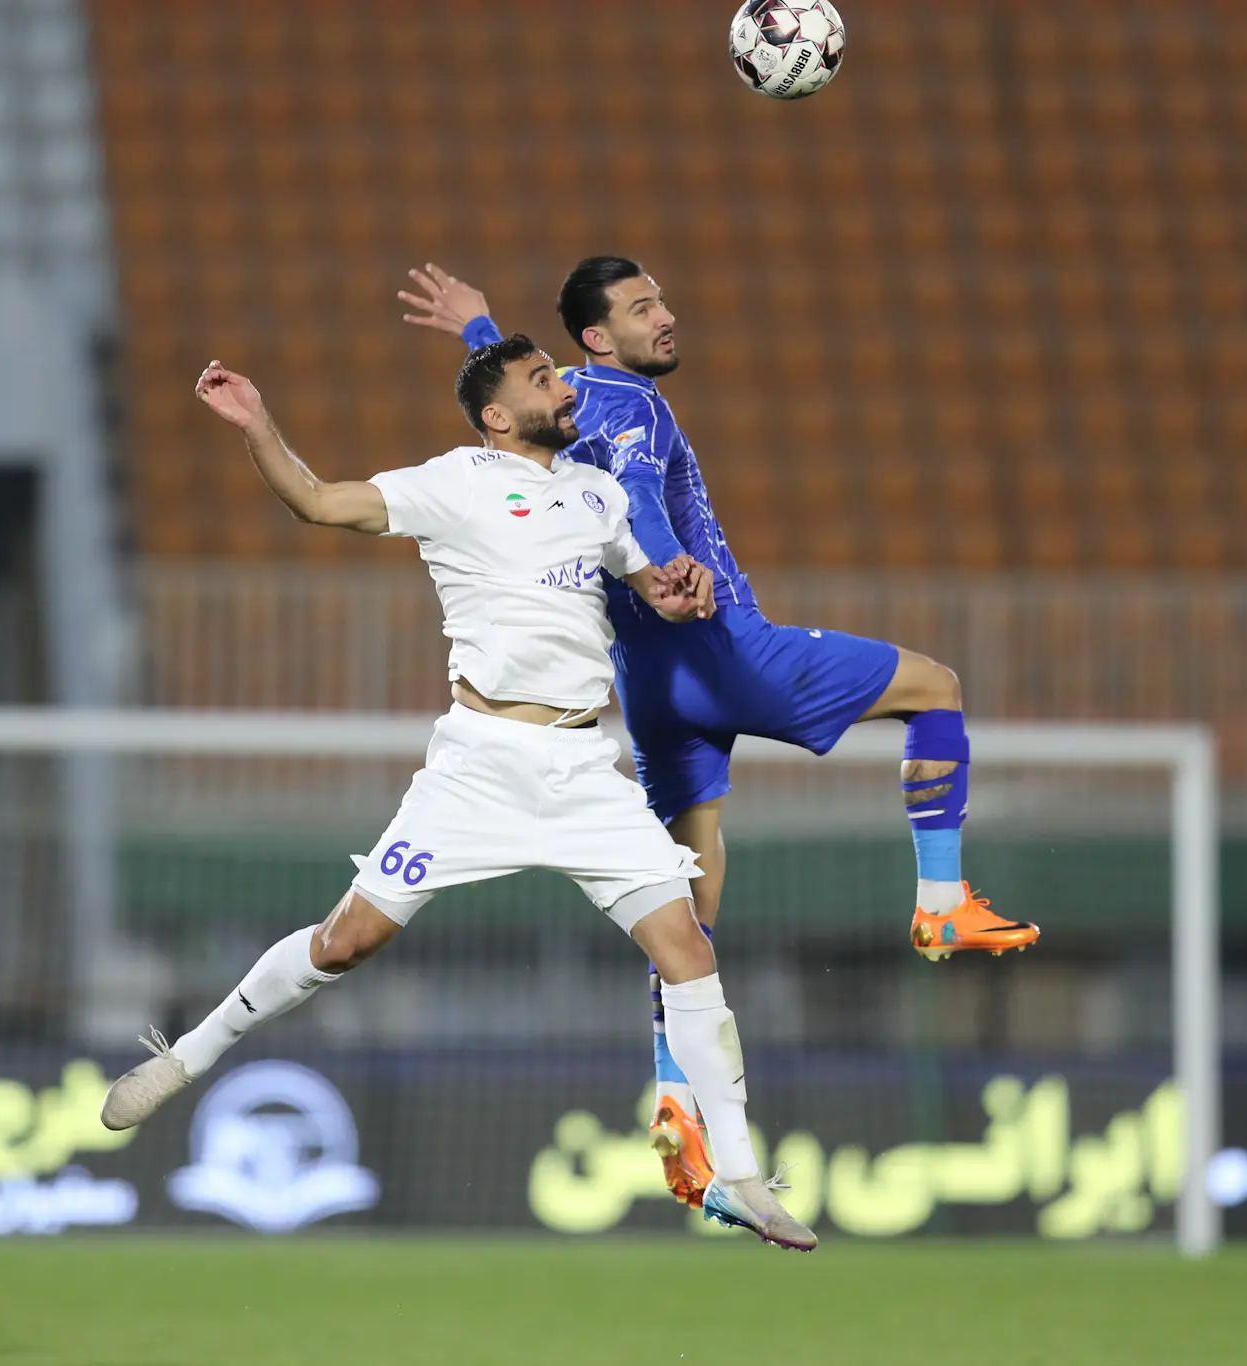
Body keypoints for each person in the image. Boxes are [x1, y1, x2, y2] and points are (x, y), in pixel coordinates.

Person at [100, 339, 817, 1249]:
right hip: (480, 767)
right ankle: (188, 1056)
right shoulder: (456, 482)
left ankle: (742, 1178)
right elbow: (318, 501)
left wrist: (678, 589)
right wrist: (257, 423)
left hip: (583, 770)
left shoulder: (600, 495)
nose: (563, 389)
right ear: (497, 417)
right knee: (346, 941)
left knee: (688, 951)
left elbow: (652, 585)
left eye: (559, 374)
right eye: (542, 381)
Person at [399, 259, 1039, 1207]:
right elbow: (641, 497)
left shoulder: (556, 406)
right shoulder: (633, 406)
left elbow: (517, 395)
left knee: (686, 916)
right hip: (722, 646)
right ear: (597, 339)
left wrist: (479, 329)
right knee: (934, 688)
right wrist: (670, 570)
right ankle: (942, 899)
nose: (666, 316)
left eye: (661, 300)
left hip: (647, 687)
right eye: (642, 308)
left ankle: (676, 1101)